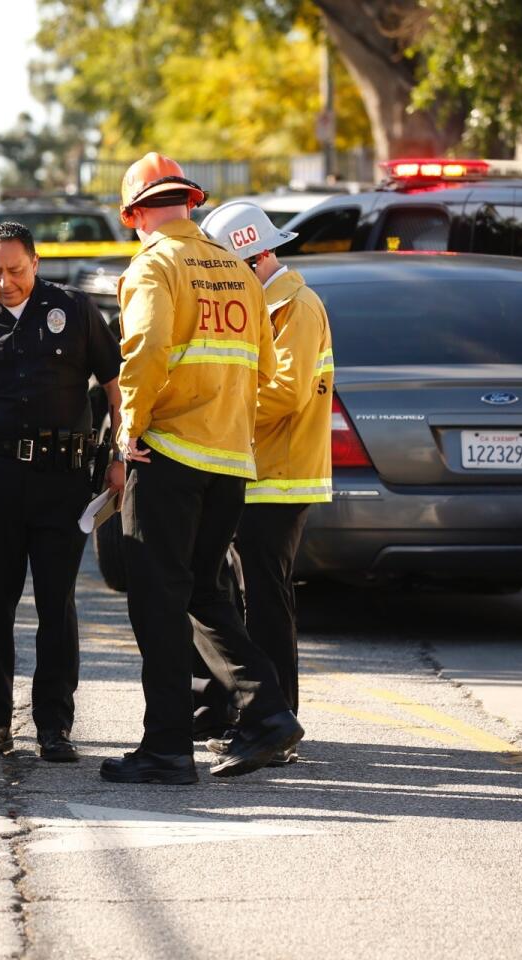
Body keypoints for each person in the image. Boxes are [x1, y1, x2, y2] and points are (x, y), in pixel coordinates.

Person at [102, 153, 302, 786]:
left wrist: (129, 423)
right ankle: (267, 710)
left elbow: (146, 348)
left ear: (134, 214)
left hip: (171, 454)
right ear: (191, 202)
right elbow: (265, 369)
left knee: (158, 603)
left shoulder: (154, 265)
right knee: (203, 592)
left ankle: (165, 747)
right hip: (231, 461)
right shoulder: (238, 272)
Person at [0, 221, 123, 764]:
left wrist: (117, 458)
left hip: (62, 482)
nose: (6, 282)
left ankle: (54, 726)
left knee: (56, 605)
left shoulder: (75, 312)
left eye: (16, 270)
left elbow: (116, 390)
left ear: (36, 264)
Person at [200, 201, 334, 760]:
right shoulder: (268, 305)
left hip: (280, 479)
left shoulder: (296, 308)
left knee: (269, 604)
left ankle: (277, 724)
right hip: (258, 473)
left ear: (254, 257)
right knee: (252, 598)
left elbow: (284, 392)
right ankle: (260, 716)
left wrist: (212, 402)